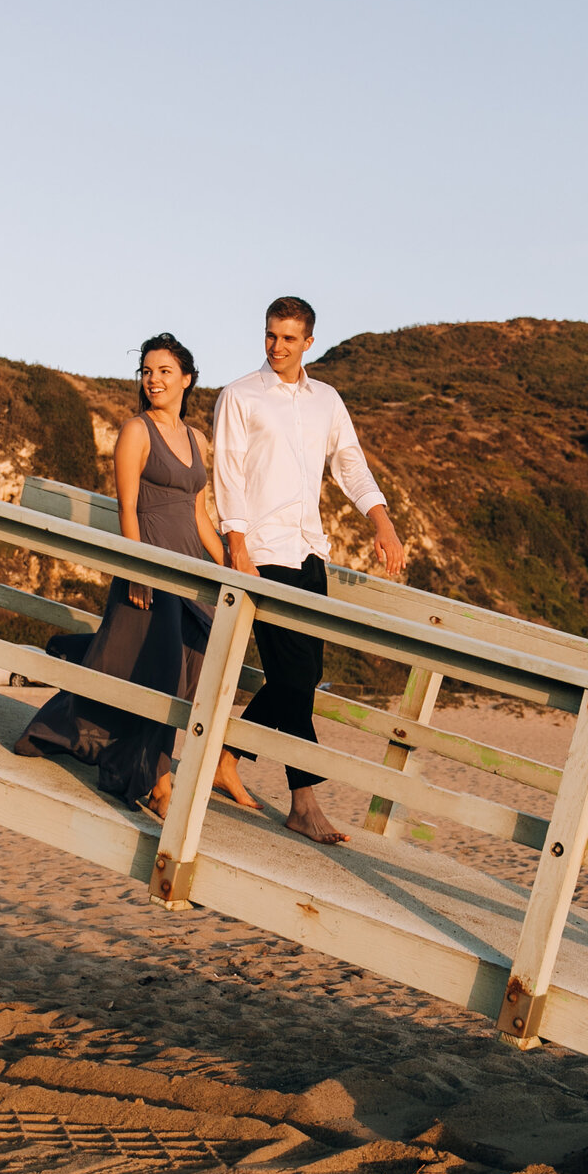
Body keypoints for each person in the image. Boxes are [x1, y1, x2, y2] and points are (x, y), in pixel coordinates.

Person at [14, 336, 260, 820]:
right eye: (147, 371)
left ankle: (137, 762)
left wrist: (229, 565)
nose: (154, 379)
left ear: (187, 378)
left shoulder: (196, 440)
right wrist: (137, 570)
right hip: (152, 565)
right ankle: (159, 783)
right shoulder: (135, 431)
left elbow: (199, 514)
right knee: (162, 672)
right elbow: (128, 507)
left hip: (193, 570)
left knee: (187, 671)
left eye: (165, 371)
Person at [213, 296, 405, 845]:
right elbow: (226, 471)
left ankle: (226, 755)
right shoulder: (240, 395)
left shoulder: (327, 400)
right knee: (296, 679)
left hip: (309, 554)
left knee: (296, 679)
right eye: (270, 335)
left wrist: (382, 523)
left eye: (289, 338)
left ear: (309, 342)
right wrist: (237, 545)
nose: (276, 347)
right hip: (263, 554)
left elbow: (350, 464)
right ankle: (304, 802)